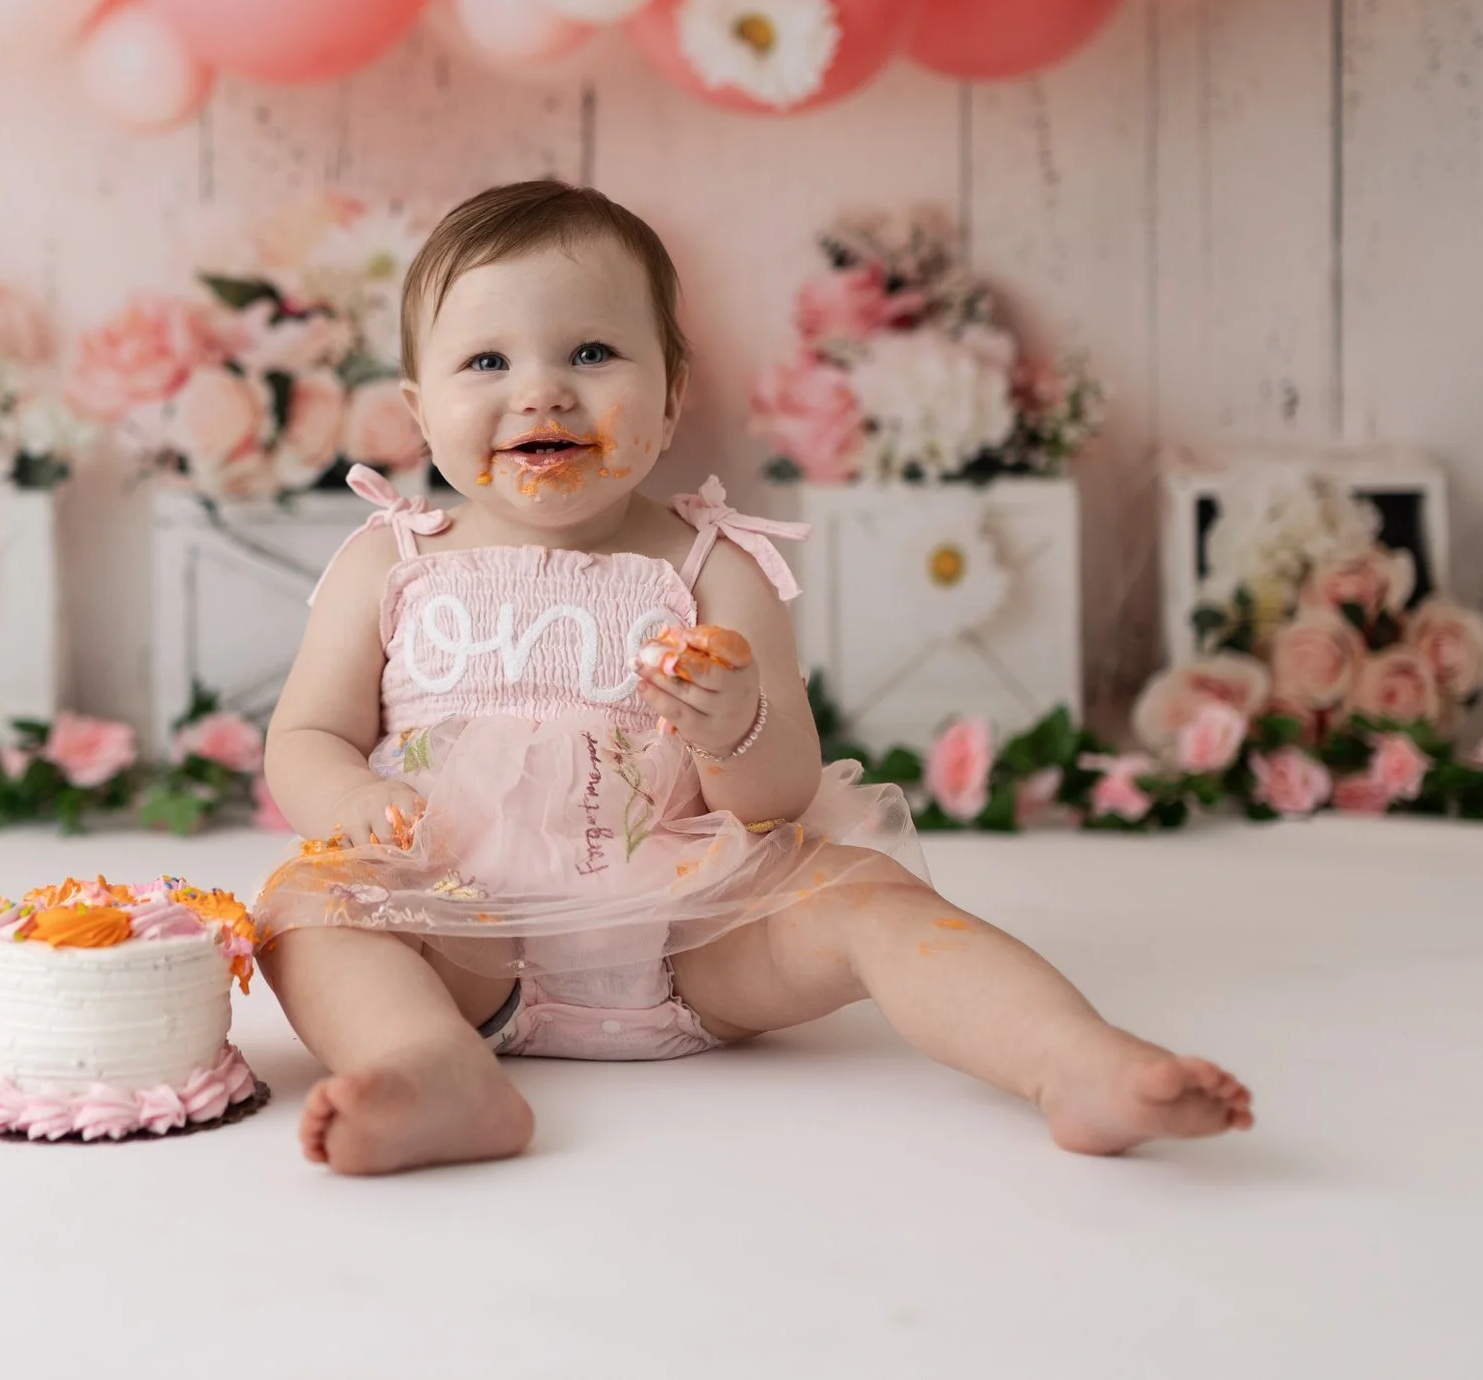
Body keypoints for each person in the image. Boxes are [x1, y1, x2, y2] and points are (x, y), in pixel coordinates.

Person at [252, 179, 1254, 1176]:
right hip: (456, 930)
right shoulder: (390, 562)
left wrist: (733, 726)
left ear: (672, 392)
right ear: (420, 411)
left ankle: (1068, 1059)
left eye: (592, 352)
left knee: (869, 895)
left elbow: (775, 795)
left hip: (693, 938)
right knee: (303, 910)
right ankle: (430, 1066)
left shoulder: (712, 563)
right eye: (486, 360)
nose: (542, 389)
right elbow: (304, 736)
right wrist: (353, 800)